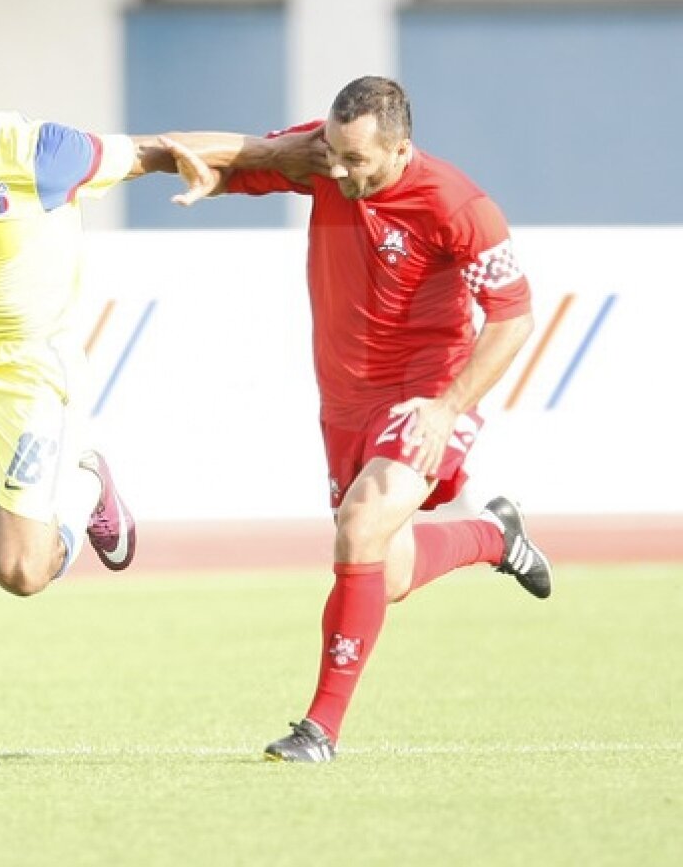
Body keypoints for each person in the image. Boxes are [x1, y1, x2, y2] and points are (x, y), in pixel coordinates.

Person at [0, 27, 324, 772]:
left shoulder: (41, 152)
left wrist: (286, 153)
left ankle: (86, 487)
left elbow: (155, 149)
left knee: (21, 572)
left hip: (30, 374)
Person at [175, 75, 553, 763]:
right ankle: (494, 535)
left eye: (358, 161)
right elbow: (223, 156)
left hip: (424, 392)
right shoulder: (326, 156)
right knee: (390, 572)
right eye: (332, 154)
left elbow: (514, 316)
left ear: (401, 147)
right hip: (343, 401)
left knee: (360, 526)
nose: (339, 171)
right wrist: (188, 165)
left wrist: (446, 407)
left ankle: (319, 728)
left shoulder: (458, 204)